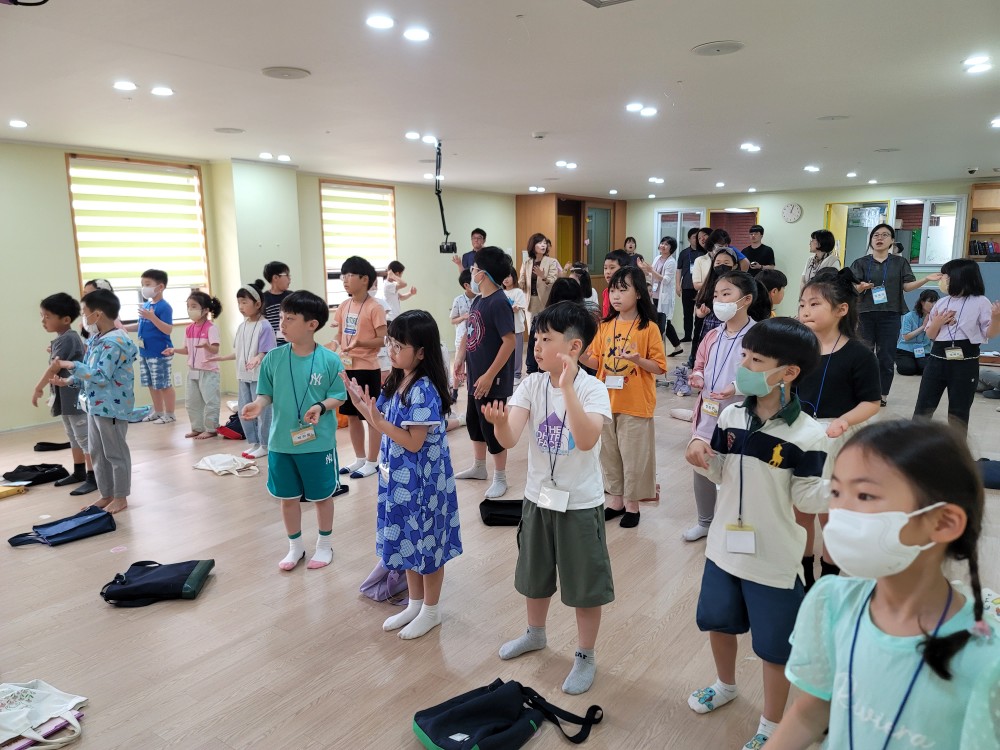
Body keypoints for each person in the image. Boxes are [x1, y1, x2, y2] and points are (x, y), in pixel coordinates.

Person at [769, 420, 1000, 750]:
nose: (840, 512)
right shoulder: (830, 602)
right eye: (836, 492)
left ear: (943, 522)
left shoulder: (987, 660)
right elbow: (811, 712)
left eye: (864, 495)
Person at [684, 317, 827, 750]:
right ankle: (725, 685)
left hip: (773, 559)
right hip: (723, 548)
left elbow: (807, 498)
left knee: (773, 647)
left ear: (789, 373)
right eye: (744, 355)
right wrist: (701, 454)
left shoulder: (809, 434)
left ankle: (770, 723)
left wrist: (844, 489)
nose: (743, 365)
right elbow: (721, 472)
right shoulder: (731, 415)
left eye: (756, 360)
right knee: (719, 623)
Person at [482, 301, 613, 695]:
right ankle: (535, 633)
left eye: (545, 339)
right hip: (537, 498)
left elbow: (586, 440)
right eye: (536, 338)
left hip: (580, 503)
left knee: (584, 585)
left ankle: (585, 654)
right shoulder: (531, 385)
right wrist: (500, 424)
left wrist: (567, 388)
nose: (536, 346)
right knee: (534, 574)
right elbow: (509, 439)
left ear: (574, 347)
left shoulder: (593, 389)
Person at [342, 310, 462, 640]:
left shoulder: (424, 389)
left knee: (428, 546)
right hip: (398, 480)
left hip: (424, 485)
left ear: (421, 352)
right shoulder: (397, 380)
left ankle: (431, 611)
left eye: (399, 345)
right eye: (390, 343)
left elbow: (413, 441)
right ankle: (416, 604)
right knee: (408, 542)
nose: (391, 350)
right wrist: (360, 404)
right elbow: (378, 418)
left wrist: (379, 422)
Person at [242, 290, 348, 571]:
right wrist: (258, 404)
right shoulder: (273, 358)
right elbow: (266, 393)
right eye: (282, 318)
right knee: (287, 498)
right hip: (281, 442)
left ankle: (324, 545)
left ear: (312, 324)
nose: (282, 324)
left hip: (318, 443)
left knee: (322, 497)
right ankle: (295, 547)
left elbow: (339, 395)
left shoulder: (329, 360)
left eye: (290, 319)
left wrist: (320, 407)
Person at [796, 268, 881, 589]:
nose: (805, 311)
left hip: (839, 440)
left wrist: (844, 420)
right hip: (801, 436)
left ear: (841, 309)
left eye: (814, 304)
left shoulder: (859, 354)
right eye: (802, 304)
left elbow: (871, 403)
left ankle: (829, 577)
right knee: (801, 509)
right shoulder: (798, 350)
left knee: (831, 512)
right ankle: (804, 573)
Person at [581, 266, 666, 528]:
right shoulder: (605, 326)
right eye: (613, 291)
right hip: (605, 402)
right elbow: (597, 362)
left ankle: (632, 505)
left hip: (636, 404)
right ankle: (616, 501)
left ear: (639, 293)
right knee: (609, 454)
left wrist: (638, 360)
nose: (616, 296)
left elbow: (660, 367)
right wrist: (578, 355)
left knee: (634, 457)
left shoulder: (649, 328)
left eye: (623, 290)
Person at [683, 271, 760, 542]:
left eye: (726, 294)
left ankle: (736, 525)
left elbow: (765, 377)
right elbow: (700, 364)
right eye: (716, 295)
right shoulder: (713, 335)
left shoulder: (758, 336)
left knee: (738, 471)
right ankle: (705, 521)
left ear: (746, 299)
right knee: (702, 463)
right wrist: (697, 376)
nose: (719, 300)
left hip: (740, 415)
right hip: (708, 412)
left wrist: (736, 388)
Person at [48, 289, 138, 514]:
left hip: (112, 408)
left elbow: (100, 376)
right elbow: (89, 372)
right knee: (97, 452)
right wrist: (68, 381)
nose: (83, 318)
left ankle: (120, 496)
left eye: (84, 312)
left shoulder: (115, 342)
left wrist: (71, 365)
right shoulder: (98, 339)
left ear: (97, 315)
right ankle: (106, 494)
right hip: (95, 405)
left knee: (115, 453)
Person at [851, 223, 942, 406]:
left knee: (886, 357)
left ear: (892, 240)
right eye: (876, 235)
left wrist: (925, 279)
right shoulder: (860, 262)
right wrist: (860, 287)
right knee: (864, 355)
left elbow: (907, 287)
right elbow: (852, 287)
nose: (879, 238)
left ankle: (882, 394)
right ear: (871, 240)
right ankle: (861, 392)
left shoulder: (900, 263)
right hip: (865, 313)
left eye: (884, 235)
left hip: (890, 315)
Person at [452, 245, 516, 499]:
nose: (472, 271)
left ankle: (501, 476)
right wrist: (459, 358)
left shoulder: (499, 302)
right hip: (475, 376)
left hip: (492, 379)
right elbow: (469, 333)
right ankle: (479, 466)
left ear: (484, 274)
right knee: (474, 422)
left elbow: (509, 342)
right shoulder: (478, 300)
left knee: (492, 427)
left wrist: (490, 375)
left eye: (475, 268)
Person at [913, 258, 1000, 435]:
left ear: (961, 277)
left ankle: (956, 448)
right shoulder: (942, 302)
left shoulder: (980, 302)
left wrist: (996, 318)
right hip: (937, 360)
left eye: (946, 276)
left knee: (959, 412)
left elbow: (989, 333)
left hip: (965, 362)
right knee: (923, 407)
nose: (942, 279)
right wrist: (937, 323)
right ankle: (913, 442)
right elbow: (930, 335)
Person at [31, 293, 97, 495]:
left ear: (66, 319)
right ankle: (79, 471)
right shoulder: (63, 339)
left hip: (75, 396)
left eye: (47, 316)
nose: (43, 321)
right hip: (65, 395)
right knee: (73, 435)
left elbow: (54, 367)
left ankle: (93, 476)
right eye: (42, 316)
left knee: (83, 437)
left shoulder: (68, 338)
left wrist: (38, 387)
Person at [329, 256, 388, 478]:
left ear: (365, 279)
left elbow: (383, 339)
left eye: (350, 275)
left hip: (367, 368)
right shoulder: (344, 306)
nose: (345, 280)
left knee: (370, 416)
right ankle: (360, 459)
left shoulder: (375, 307)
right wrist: (333, 345)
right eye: (343, 276)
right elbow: (339, 334)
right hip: (346, 367)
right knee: (351, 416)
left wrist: (360, 342)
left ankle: (373, 461)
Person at [206, 280, 277, 459]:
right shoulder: (242, 326)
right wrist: (222, 358)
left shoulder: (264, 326)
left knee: (262, 412)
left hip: (259, 377)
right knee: (245, 411)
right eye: (238, 302)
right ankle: (255, 443)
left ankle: (265, 444)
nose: (240, 307)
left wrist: (258, 358)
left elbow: (267, 351)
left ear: (257, 304)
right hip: (243, 376)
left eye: (244, 302)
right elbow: (239, 352)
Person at [163, 291, 224, 439]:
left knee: (210, 401)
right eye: (188, 306)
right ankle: (197, 428)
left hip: (208, 371)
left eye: (194, 306)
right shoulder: (189, 329)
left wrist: (207, 346)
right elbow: (187, 350)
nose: (190, 309)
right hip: (192, 370)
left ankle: (211, 429)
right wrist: (173, 350)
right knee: (192, 402)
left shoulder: (211, 328)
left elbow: (215, 349)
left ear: (205, 310)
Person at [129, 268, 175, 424]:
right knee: (151, 384)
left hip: (161, 352)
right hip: (145, 352)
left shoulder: (164, 307)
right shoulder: (147, 305)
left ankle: (170, 414)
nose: (144, 287)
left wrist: (152, 317)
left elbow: (167, 329)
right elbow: (141, 325)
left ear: (160, 287)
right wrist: (124, 328)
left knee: (164, 384)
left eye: (147, 284)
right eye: (143, 284)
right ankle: (158, 411)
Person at [688, 247, 740, 368]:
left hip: (732, 326)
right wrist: (702, 312)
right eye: (718, 262)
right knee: (710, 358)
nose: (721, 265)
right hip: (710, 327)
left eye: (726, 262)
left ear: (735, 265)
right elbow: (698, 308)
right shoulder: (708, 284)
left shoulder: (740, 285)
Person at [526, 277, 586, 376]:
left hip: (576, 374)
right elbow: (533, 346)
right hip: (550, 374)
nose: (564, 307)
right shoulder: (542, 320)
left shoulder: (583, 321)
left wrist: (531, 370)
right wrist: (532, 372)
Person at [639, 236, 683, 357]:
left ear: (671, 248)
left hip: (664, 296)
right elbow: (651, 275)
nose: (663, 245)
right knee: (661, 321)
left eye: (666, 244)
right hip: (654, 294)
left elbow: (666, 280)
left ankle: (665, 348)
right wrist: (643, 268)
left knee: (663, 321)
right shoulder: (657, 258)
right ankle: (677, 346)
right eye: (662, 243)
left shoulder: (671, 262)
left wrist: (651, 270)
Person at [896, 288, 939, 376]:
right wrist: (923, 326)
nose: (934, 305)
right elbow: (906, 337)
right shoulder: (909, 316)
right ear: (922, 302)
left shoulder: (935, 318)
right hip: (906, 350)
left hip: (924, 351)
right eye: (931, 301)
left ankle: (918, 364)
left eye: (936, 302)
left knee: (925, 369)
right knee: (907, 369)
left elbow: (934, 338)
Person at [519, 233, 561, 320]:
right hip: (530, 301)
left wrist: (543, 277)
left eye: (545, 243)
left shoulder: (551, 262)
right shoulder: (526, 262)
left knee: (545, 326)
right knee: (532, 327)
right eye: (540, 243)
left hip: (546, 300)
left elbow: (553, 280)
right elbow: (521, 282)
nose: (543, 245)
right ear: (533, 245)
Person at [676, 227, 708, 340]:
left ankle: (698, 335)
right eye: (695, 237)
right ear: (689, 239)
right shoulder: (684, 253)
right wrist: (677, 285)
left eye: (699, 237)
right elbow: (679, 270)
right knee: (687, 313)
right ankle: (687, 335)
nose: (698, 239)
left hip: (701, 288)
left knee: (700, 312)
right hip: (687, 286)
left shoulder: (705, 252)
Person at [449, 269, 475, 399]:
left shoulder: (480, 298)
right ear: (466, 285)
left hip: (475, 337)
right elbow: (452, 320)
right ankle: (454, 391)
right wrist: (463, 317)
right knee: (459, 364)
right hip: (461, 336)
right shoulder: (458, 300)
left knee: (472, 365)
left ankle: (471, 390)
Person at [502, 267, 528, 382]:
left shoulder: (518, 292)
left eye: (508, 276)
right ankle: (507, 373)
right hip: (504, 328)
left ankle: (517, 374)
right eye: (503, 277)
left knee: (517, 352)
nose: (506, 279)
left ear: (514, 277)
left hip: (517, 327)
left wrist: (514, 308)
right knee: (505, 351)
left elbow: (520, 306)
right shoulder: (500, 293)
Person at [262, 261, 292, 346]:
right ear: (275, 277)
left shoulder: (292, 296)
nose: (289, 279)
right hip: (273, 344)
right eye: (287, 275)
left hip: (292, 342)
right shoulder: (263, 299)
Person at [600, 249, 631, 318]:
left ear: (624, 268)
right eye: (605, 268)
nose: (607, 272)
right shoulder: (605, 292)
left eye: (612, 267)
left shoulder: (629, 292)